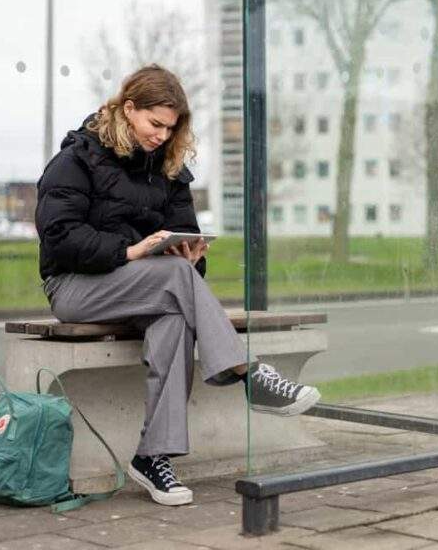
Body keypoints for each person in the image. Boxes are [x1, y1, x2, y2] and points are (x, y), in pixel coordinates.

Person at [35, 64, 320, 507]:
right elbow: (59, 237)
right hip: (75, 286)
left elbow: (181, 242)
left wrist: (188, 257)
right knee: (174, 285)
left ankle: (153, 456)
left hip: (148, 287)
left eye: (171, 128)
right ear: (128, 109)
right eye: (155, 124)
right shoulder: (76, 160)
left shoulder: (169, 170)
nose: (162, 136)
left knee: (172, 320)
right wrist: (129, 252)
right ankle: (250, 374)